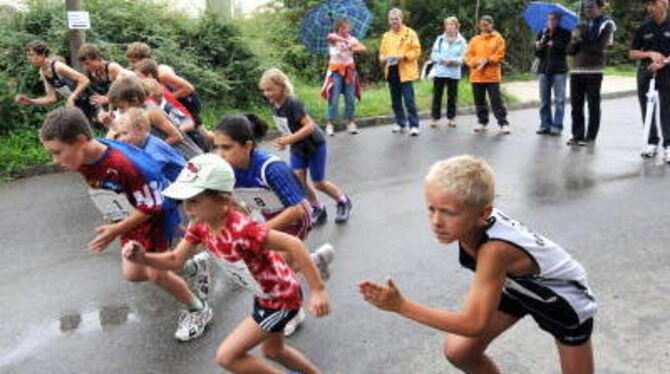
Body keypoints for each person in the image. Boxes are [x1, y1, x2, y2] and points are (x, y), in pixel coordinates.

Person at [359, 155, 597, 374]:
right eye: (431, 209)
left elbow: (474, 324)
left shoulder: (494, 251)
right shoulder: (473, 222)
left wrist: (401, 306)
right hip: (516, 287)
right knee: (459, 351)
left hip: (562, 301)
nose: (436, 221)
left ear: (484, 213)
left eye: (448, 212)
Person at [122, 153, 331, 374]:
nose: (187, 208)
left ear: (221, 199)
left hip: (280, 298)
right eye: (184, 201)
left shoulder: (243, 229)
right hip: (263, 294)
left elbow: (294, 244)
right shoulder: (200, 225)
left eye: (194, 200)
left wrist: (317, 290)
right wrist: (143, 258)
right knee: (273, 351)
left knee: (228, 356)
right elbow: (175, 260)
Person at [39, 107, 212, 342]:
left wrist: (116, 230)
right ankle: (193, 267)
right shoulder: (82, 156)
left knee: (157, 273)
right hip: (132, 213)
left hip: (157, 213)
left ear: (80, 140)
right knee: (133, 273)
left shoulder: (126, 166)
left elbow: (154, 206)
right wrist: (113, 216)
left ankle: (198, 309)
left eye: (58, 152)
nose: (55, 160)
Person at [210, 113, 336, 336]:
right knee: (268, 265)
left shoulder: (270, 168)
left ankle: (293, 312)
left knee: (278, 267)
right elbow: (239, 203)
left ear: (247, 146)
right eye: (216, 147)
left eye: (226, 148)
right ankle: (314, 262)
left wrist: (258, 231)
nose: (220, 154)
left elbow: (296, 209)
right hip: (268, 218)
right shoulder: (228, 170)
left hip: (296, 217)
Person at [259, 68, 353, 226]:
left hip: (314, 145)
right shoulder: (274, 104)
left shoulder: (293, 103)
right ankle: (317, 207)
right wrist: (285, 140)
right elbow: (286, 126)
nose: (267, 93)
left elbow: (309, 127)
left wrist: (289, 139)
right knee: (299, 181)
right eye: (264, 90)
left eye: (270, 89)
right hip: (297, 146)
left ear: (281, 86)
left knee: (318, 183)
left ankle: (343, 201)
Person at [105, 75, 203, 160]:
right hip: (171, 159)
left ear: (135, 101)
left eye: (121, 107)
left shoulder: (151, 113)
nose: (120, 111)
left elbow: (177, 137)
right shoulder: (135, 115)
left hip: (190, 157)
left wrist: (151, 151)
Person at [566, 0, 616, 147]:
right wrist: (574, 39)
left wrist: (581, 38)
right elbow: (569, 51)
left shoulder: (606, 25)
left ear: (600, 8)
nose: (588, 10)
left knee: (593, 105)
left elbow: (599, 47)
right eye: (586, 8)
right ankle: (577, 135)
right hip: (576, 71)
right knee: (576, 105)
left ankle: (591, 137)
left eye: (591, 7)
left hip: (594, 70)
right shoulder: (581, 25)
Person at [14, 40, 98, 122]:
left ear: (42, 55)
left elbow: (84, 80)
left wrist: (72, 96)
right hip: (78, 105)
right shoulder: (43, 72)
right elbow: (51, 98)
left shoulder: (57, 66)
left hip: (92, 100)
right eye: (27, 55)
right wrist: (31, 101)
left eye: (31, 55)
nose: (28, 58)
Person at [135, 62, 211, 151]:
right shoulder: (154, 91)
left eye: (138, 76)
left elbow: (189, 122)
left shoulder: (164, 99)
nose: (137, 79)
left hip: (190, 139)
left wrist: (173, 130)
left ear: (150, 76)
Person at [125, 42, 203, 127]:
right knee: (202, 132)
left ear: (143, 59)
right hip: (178, 100)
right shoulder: (146, 71)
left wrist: (168, 99)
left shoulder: (162, 73)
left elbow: (189, 88)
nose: (131, 65)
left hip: (188, 99)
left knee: (196, 130)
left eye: (133, 61)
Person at [629, 0, 670, 160]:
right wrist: (649, 54)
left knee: (667, 108)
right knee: (647, 108)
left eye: (654, 3)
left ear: (665, 4)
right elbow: (632, 53)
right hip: (646, 72)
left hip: (667, 72)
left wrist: (664, 62)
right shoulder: (644, 27)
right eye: (648, 4)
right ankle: (651, 142)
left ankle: (668, 145)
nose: (650, 8)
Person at [379, 8, 422, 136]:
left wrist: (403, 57)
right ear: (389, 21)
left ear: (401, 19)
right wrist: (382, 58)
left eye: (396, 19)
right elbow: (382, 53)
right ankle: (400, 122)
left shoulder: (410, 33)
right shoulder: (386, 36)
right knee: (395, 100)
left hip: (406, 71)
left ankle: (414, 125)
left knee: (409, 100)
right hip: (391, 70)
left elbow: (417, 51)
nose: (394, 22)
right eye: (391, 19)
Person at [465, 16, 511, 134]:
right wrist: (476, 62)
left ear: (492, 24)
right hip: (476, 75)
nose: (484, 27)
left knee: (496, 100)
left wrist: (488, 60)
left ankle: (503, 123)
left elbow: (500, 55)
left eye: (486, 25)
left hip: (492, 76)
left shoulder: (498, 39)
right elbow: (468, 56)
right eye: (482, 25)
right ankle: (482, 122)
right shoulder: (474, 40)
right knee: (479, 101)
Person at [114, 107, 186, 182]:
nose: (121, 139)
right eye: (119, 135)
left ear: (141, 129)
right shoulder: (146, 143)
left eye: (125, 133)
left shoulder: (153, 148)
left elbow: (151, 170)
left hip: (186, 183)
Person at [322, 19, 366, 136]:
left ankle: (350, 122)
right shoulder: (334, 38)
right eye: (341, 28)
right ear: (338, 29)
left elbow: (362, 48)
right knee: (334, 97)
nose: (344, 30)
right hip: (336, 71)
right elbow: (329, 36)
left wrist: (352, 47)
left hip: (349, 71)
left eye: (346, 27)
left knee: (350, 98)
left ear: (349, 28)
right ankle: (330, 123)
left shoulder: (352, 39)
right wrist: (343, 40)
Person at [535, 12, 572, 136]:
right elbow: (538, 54)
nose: (551, 21)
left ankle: (557, 126)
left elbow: (567, 50)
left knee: (560, 100)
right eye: (549, 19)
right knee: (544, 100)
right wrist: (538, 47)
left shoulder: (565, 33)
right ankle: (545, 125)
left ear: (559, 21)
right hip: (544, 70)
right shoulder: (543, 32)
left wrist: (554, 44)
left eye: (554, 19)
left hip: (559, 71)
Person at [429, 16, 467, 129]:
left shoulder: (462, 41)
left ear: (457, 26)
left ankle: (452, 118)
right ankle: (435, 118)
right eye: (447, 25)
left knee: (452, 97)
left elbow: (465, 57)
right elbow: (433, 55)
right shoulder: (439, 39)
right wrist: (442, 60)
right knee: (437, 96)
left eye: (452, 25)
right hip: (440, 72)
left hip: (454, 73)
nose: (449, 27)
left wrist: (454, 61)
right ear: (444, 27)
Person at [77, 43, 131, 108]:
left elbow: (128, 89)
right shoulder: (94, 73)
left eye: (88, 63)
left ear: (97, 58)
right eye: (84, 64)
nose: (86, 67)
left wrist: (108, 99)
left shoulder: (112, 68)